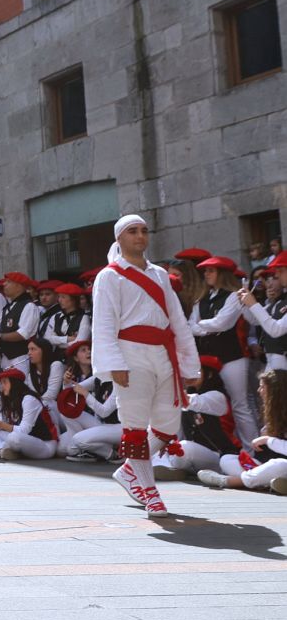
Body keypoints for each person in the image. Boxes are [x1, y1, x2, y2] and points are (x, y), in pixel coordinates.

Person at [91, 214, 200, 519]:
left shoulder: (160, 275)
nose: (139, 236)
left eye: (143, 231)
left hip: (163, 354)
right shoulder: (109, 276)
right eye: (132, 232)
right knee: (135, 426)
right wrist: (114, 363)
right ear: (119, 239)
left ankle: (129, 471)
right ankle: (151, 494)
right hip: (130, 353)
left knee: (167, 425)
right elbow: (104, 323)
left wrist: (189, 364)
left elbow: (178, 321)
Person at [188, 255, 256, 447]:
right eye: (205, 271)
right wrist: (207, 326)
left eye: (211, 271)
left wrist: (201, 325)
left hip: (232, 357)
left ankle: (252, 451)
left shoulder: (234, 295)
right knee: (210, 402)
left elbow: (223, 323)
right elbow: (190, 326)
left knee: (240, 405)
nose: (206, 274)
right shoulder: (201, 299)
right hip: (209, 359)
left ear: (222, 273)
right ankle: (221, 446)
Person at [199, 368, 287, 494]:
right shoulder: (273, 415)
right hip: (267, 467)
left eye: (262, 387)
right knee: (227, 459)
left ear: (276, 391)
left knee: (280, 464)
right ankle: (267, 481)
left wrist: (269, 440)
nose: (259, 391)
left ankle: (229, 481)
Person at [151, 357, 237, 480]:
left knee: (185, 447)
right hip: (195, 456)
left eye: (195, 371)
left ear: (209, 374)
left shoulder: (217, 396)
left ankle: (172, 467)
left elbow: (194, 402)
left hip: (221, 457)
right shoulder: (186, 397)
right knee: (158, 438)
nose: (189, 375)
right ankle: (167, 466)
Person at [239, 251, 287, 371]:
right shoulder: (279, 300)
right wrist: (245, 303)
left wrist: (253, 303)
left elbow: (276, 330)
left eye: (280, 271)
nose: (270, 282)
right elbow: (255, 320)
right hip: (272, 357)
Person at [42, 283, 90, 353]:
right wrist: (67, 339)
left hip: (74, 357)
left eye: (63, 297)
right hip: (56, 357)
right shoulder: (56, 316)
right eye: (59, 297)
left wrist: (58, 343)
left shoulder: (84, 317)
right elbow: (47, 338)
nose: (59, 300)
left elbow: (80, 341)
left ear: (73, 300)